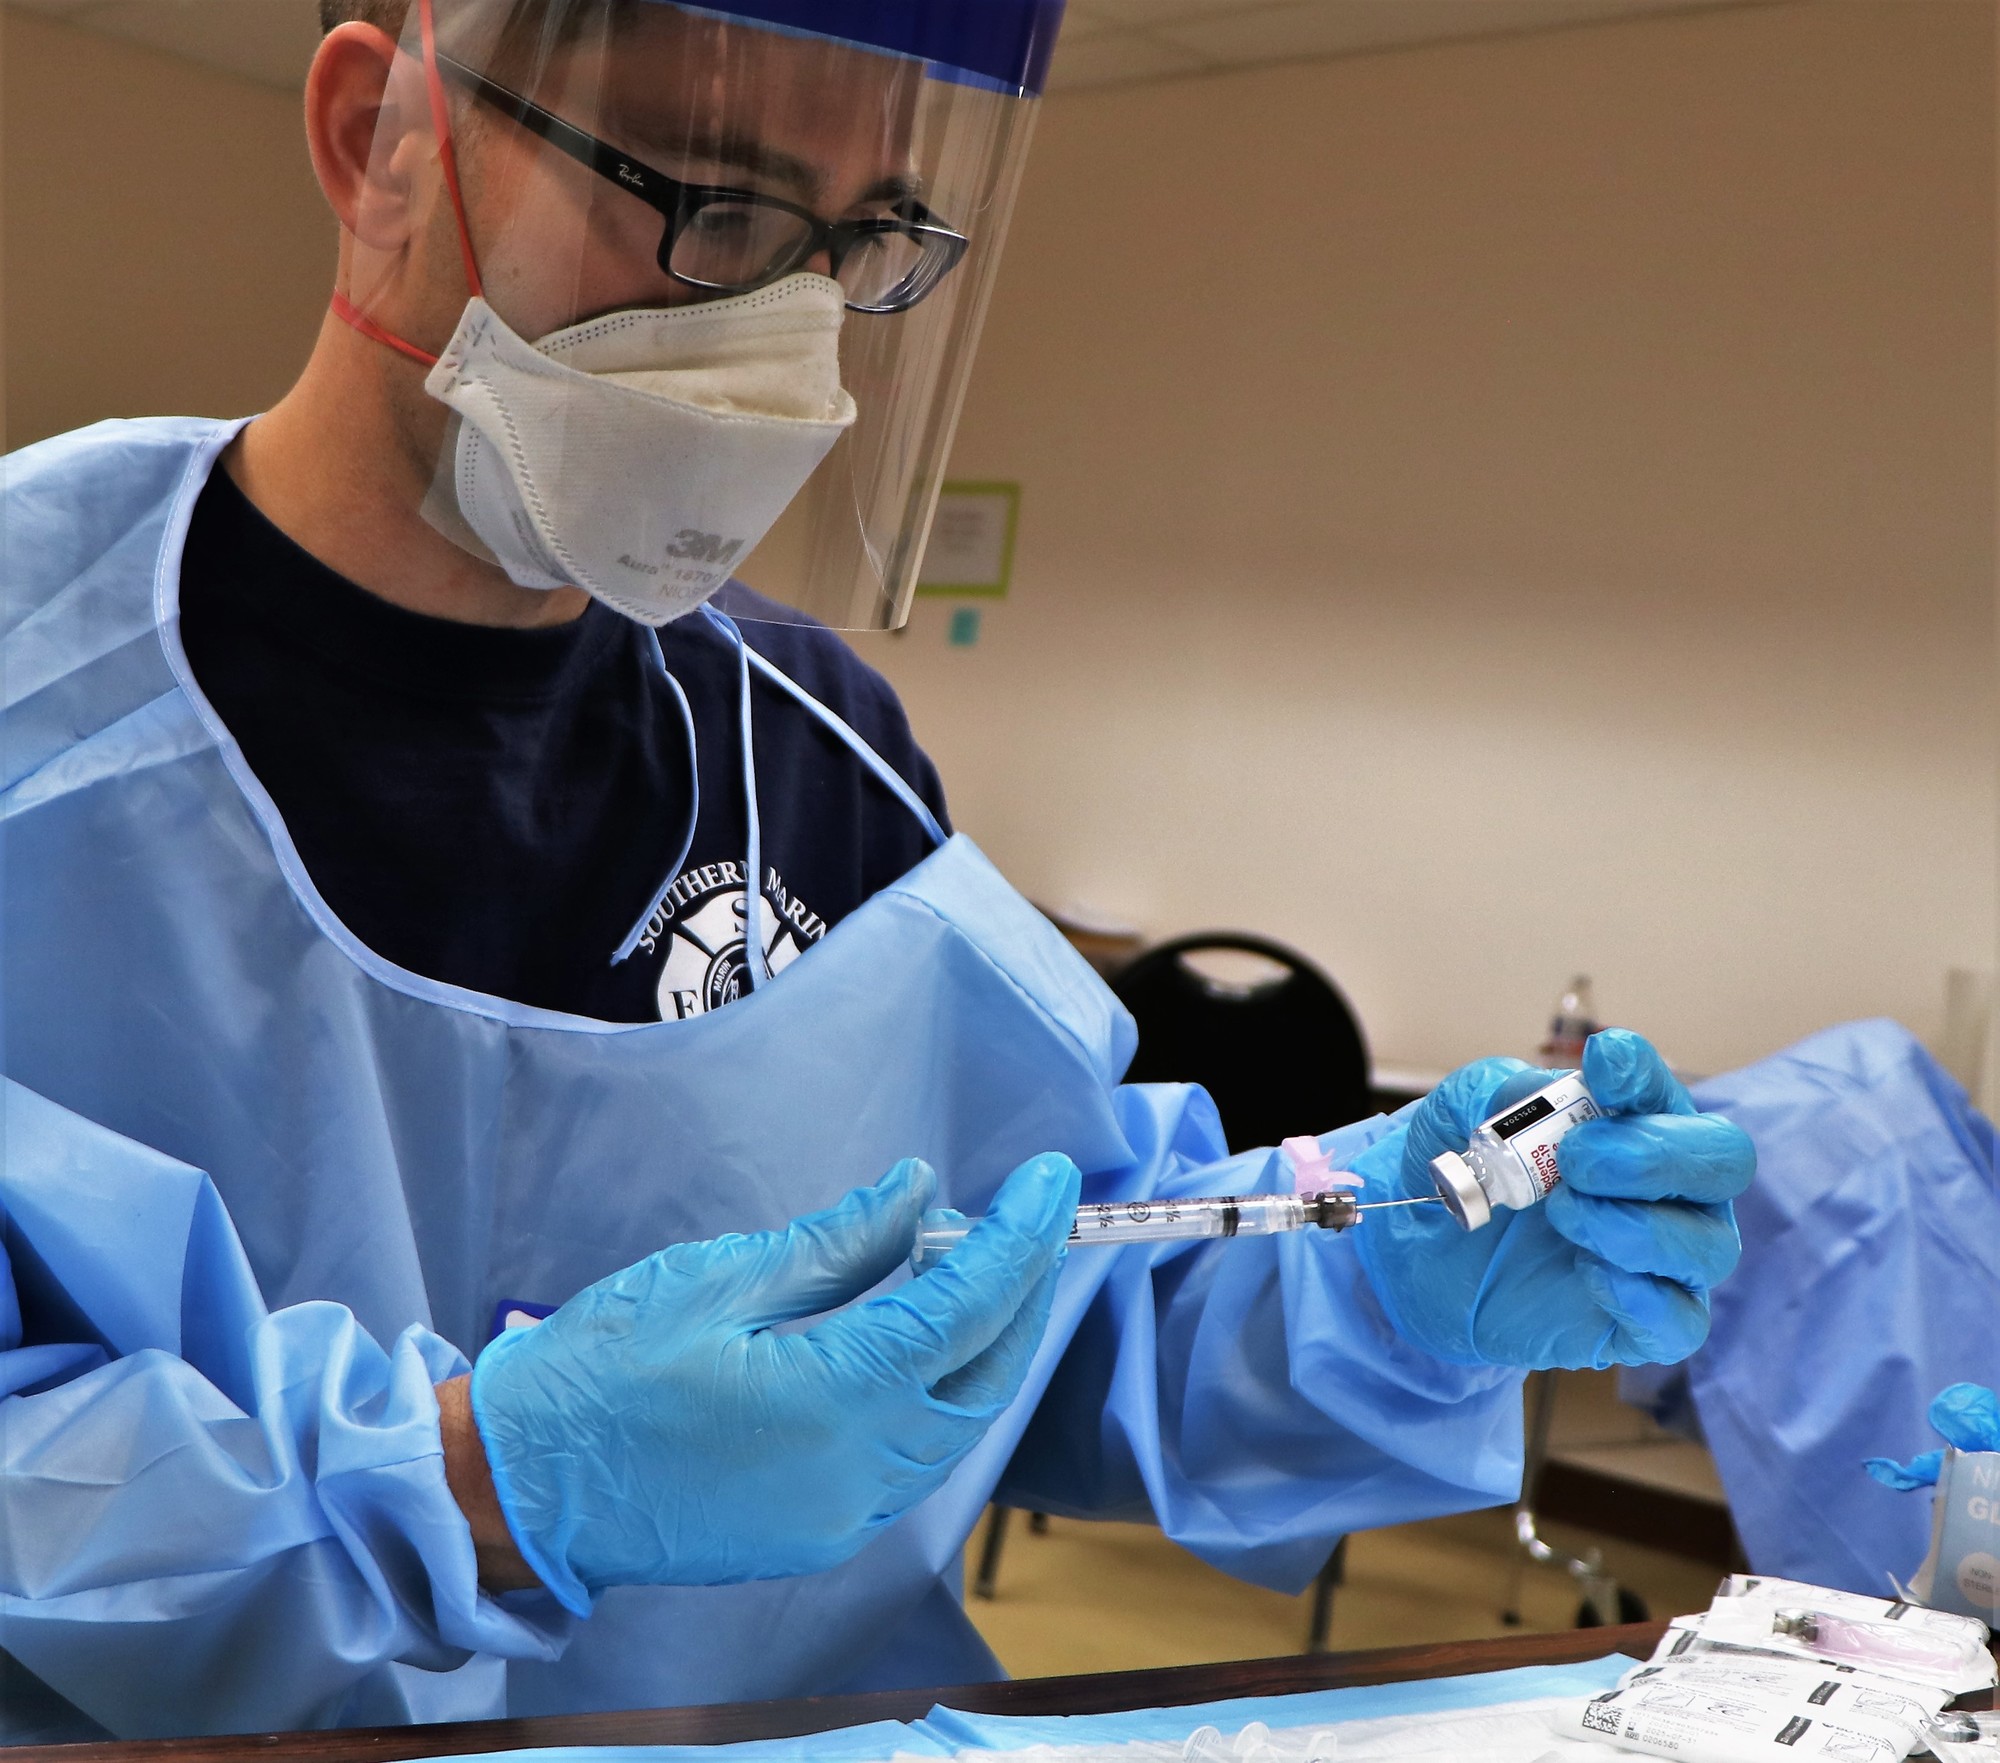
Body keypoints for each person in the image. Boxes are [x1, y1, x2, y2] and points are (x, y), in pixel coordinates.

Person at [0, 0, 1755, 1740]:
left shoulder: (809, 753)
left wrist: (1365, 1269)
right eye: (716, 198)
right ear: (382, 142)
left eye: (863, 242)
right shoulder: (39, 697)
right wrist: (477, 1483)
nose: (783, 331)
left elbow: (1037, 1305)